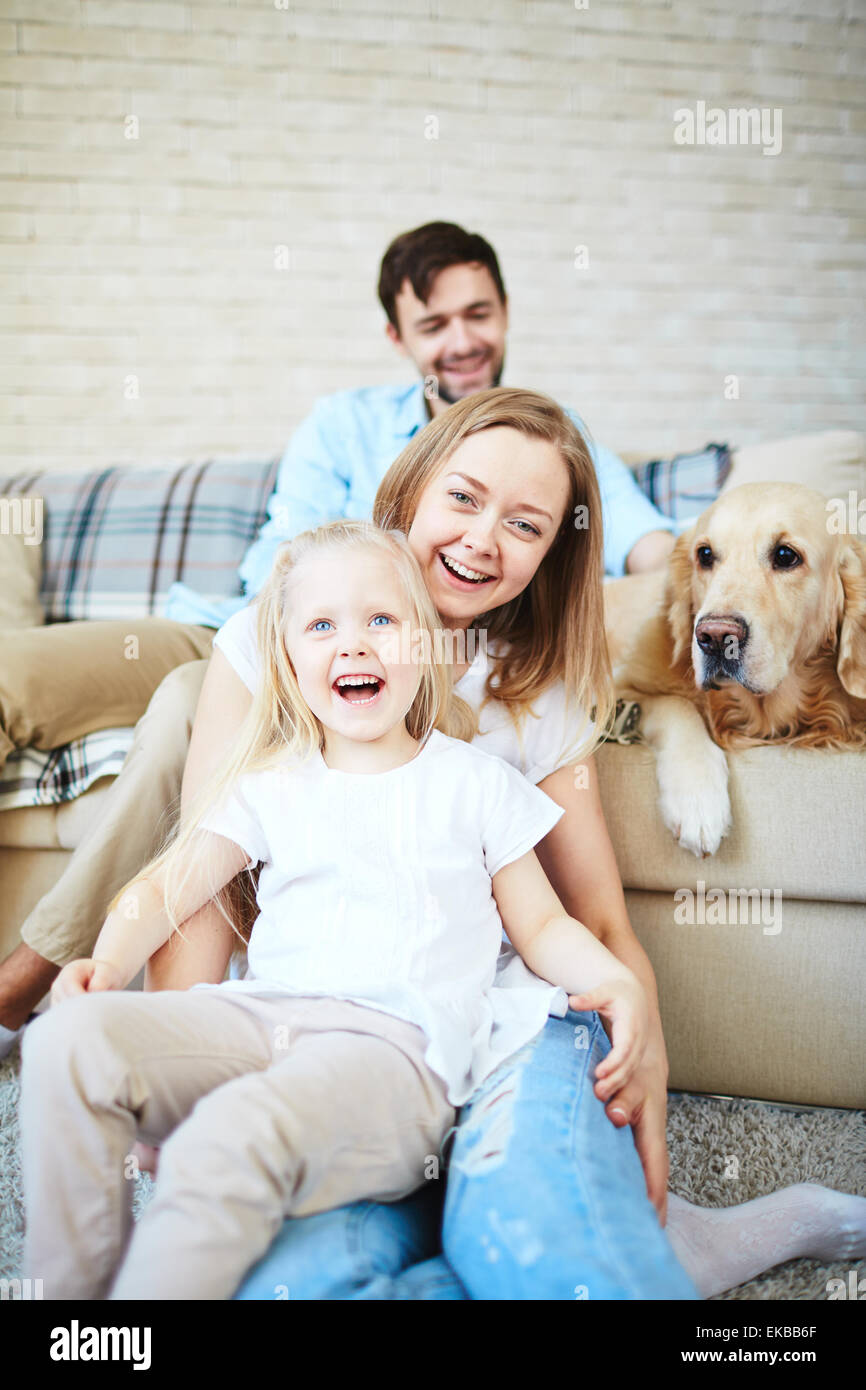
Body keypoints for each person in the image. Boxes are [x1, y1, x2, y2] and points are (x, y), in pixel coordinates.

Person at [0, 220, 682, 1047]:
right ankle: (46, 972)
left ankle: (38, 974)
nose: (462, 340)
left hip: (299, 648)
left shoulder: (554, 445)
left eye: (479, 313)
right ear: (398, 338)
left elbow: (654, 549)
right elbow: (290, 566)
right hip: (247, 621)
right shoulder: (346, 426)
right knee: (166, 691)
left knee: (189, 708)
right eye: (435, 323)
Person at [19, 518, 660, 1301]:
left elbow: (546, 927)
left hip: (395, 1055)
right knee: (65, 1044)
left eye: (380, 621)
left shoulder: (477, 785)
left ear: (424, 647)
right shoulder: (270, 785)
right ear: (287, 661)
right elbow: (165, 888)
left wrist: (618, 983)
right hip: (262, 1022)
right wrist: (108, 963)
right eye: (322, 625)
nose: (352, 645)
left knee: (226, 1137)